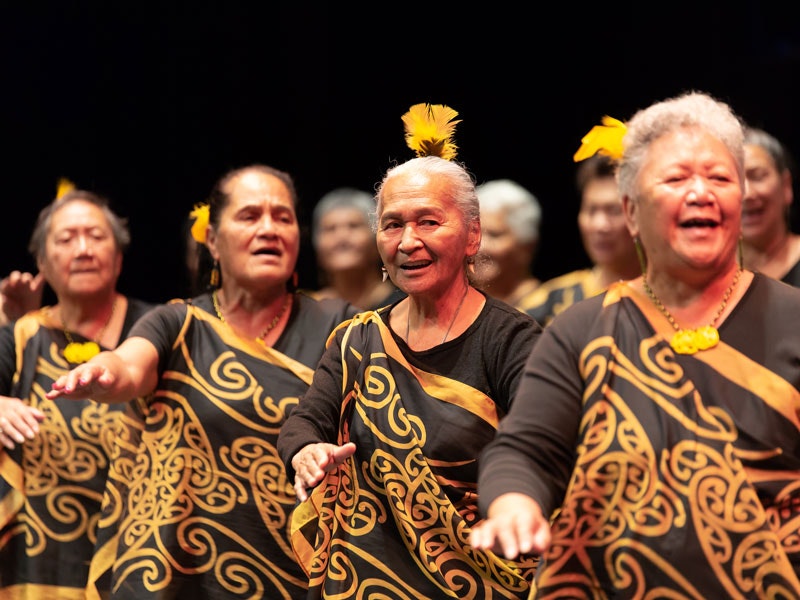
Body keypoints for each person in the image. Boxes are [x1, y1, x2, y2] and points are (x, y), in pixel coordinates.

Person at [469, 91, 800, 597]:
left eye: (719, 177)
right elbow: (526, 450)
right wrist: (516, 502)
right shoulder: (581, 328)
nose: (701, 193)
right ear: (630, 211)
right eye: (675, 178)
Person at [47, 164, 358, 599]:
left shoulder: (339, 324)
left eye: (282, 217)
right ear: (212, 239)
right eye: (250, 216)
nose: (269, 229)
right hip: (183, 574)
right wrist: (104, 373)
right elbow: (130, 367)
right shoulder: (178, 322)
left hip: (299, 569)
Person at [277, 103, 542, 599]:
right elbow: (305, 420)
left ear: (473, 235)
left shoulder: (511, 340)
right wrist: (306, 452)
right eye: (392, 225)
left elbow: (539, 443)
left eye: (428, 222)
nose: (408, 241)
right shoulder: (356, 339)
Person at [0, 188, 155, 597]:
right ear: (42, 262)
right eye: (66, 239)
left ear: (119, 257)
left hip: (138, 546)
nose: (83, 249)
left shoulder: (156, 329)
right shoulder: (20, 335)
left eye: (96, 236)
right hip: (37, 557)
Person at [524, 154, 640, 325]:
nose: (600, 225)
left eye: (614, 211)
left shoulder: (672, 297)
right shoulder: (546, 305)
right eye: (591, 210)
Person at [307, 186, 404, 310]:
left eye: (353, 226)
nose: (341, 237)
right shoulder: (305, 311)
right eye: (330, 229)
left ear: (377, 241)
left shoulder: (403, 304)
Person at [740, 125, 800, 285]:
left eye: (757, 176)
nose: (747, 194)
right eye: (733, 179)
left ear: (786, 185)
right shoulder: (710, 274)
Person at [474, 178, 543, 310]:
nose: (479, 246)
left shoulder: (548, 311)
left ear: (527, 247)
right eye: (474, 232)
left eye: (494, 235)